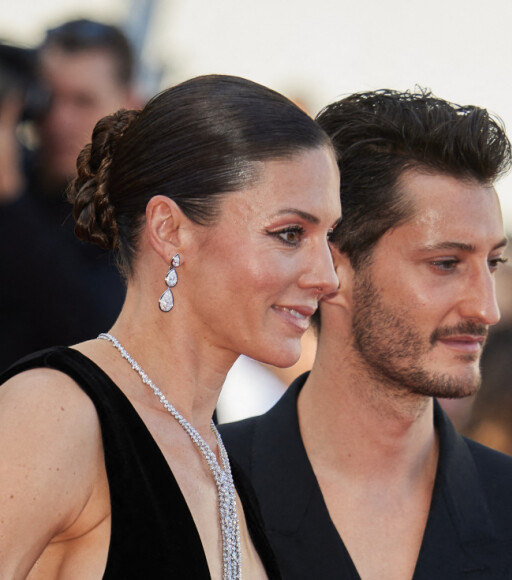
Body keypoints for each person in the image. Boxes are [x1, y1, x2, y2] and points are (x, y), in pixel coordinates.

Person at [220, 88, 512, 579]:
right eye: (446, 264)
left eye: (492, 263)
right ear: (335, 270)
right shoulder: (199, 489)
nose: (487, 308)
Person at [0, 74, 341, 579]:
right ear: (169, 229)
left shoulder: (222, 461)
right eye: (291, 234)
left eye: (328, 236)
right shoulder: (54, 414)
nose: (327, 277)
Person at [0, 18, 140, 371]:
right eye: (50, 98)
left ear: (129, 106)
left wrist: (12, 200)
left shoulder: (141, 210)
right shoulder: (17, 170)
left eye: (82, 101)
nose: (59, 120)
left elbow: (97, 333)